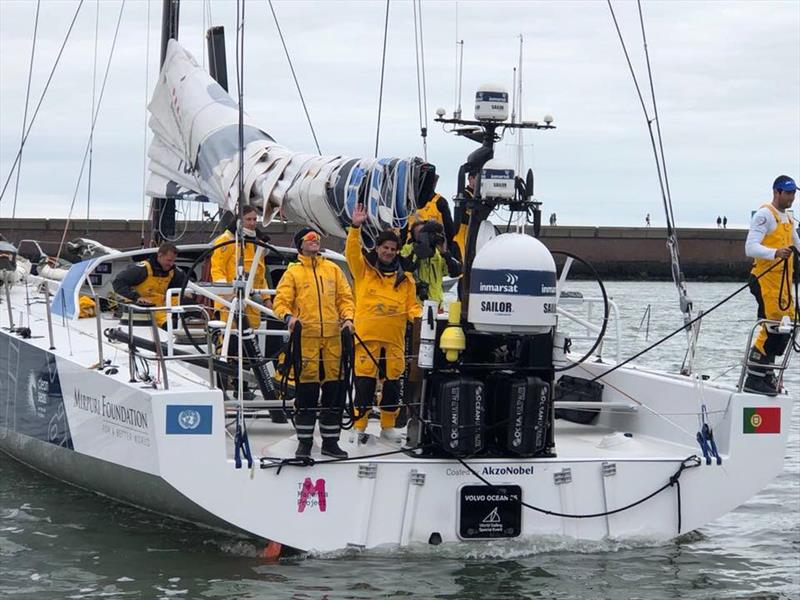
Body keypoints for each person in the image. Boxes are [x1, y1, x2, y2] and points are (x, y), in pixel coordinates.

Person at [273, 227, 355, 458]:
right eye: (309, 238)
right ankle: (305, 443)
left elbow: (345, 298)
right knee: (306, 393)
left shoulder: (333, 270)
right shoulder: (293, 273)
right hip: (306, 340)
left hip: (333, 340)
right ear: (300, 244)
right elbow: (281, 301)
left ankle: (330, 442)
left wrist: (348, 319)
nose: (315, 240)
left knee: (335, 391)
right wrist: (289, 318)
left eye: (317, 238)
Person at [346, 204, 421, 441]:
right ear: (377, 248)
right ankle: (359, 427)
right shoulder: (363, 271)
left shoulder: (406, 280)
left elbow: (412, 307)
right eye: (385, 247)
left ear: (397, 251)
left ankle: (387, 426)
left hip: (394, 342)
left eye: (392, 248)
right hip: (366, 339)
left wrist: (423, 316)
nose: (388, 252)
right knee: (365, 385)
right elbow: (351, 253)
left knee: (392, 386)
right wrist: (355, 227)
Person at [743, 175, 799, 395]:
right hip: (764, 279)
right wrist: (775, 253)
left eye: (794, 193)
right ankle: (754, 375)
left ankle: (767, 373)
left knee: (789, 324)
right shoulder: (765, 215)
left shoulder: (788, 219)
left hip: (783, 283)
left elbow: (797, 243)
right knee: (772, 325)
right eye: (788, 193)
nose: (792, 197)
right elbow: (750, 248)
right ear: (777, 192)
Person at [210, 206, 268, 330]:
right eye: (248, 219)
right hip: (230, 302)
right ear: (239, 221)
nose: (252, 223)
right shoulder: (226, 240)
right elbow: (217, 269)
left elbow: (260, 274)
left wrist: (266, 298)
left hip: (252, 301)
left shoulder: (258, 243)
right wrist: (227, 294)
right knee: (230, 338)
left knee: (252, 340)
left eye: (254, 219)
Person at [112, 242, 188, 328]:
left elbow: (178, 291)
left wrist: (184, 294)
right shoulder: (142, 269)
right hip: (145, 310)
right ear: (159, 255)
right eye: (169, 260)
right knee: (171, 325)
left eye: (174, 261)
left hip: (164, 308)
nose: (171, 264)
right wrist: (137, 297)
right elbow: (118, 282)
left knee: (189, 315)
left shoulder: (175, 272)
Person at [400, 219, 462, 306]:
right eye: (419, 233)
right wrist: (417, 252)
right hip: (414, 305)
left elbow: (455, 272)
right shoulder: (407, 249)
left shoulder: (438, 253)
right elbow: (403, 268)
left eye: (425, 233)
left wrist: (445, 252)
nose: (423, 236)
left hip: (436, 305)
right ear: (413, 236)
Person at [405, 163, 456, 251]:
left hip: (434, 249)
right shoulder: (408, 200)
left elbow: (449, 230)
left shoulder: (440, 202)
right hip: (410, 248)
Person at [453, 170, 476, 261]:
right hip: (463, 231)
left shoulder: (479, 196)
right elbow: (462, 215)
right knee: (463, 258)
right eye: (477, 179)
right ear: (470, 179)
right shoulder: (464, 195)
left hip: (474, 231)